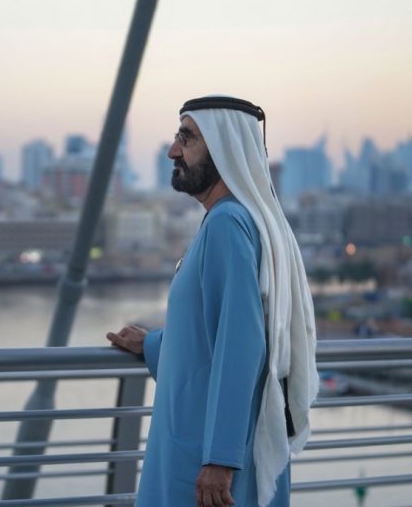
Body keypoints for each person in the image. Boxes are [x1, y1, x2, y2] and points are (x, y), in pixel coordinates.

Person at [107, 96, 318, 507]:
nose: (173, 150)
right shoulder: (237, 218)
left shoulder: (226, 224)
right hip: (206, 444)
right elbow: (211, 336)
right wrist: (150, 344)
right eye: (177, 137)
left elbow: (242, 345)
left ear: (224, 149)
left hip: (205, 460)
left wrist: (220, 458)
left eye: (187, 139)